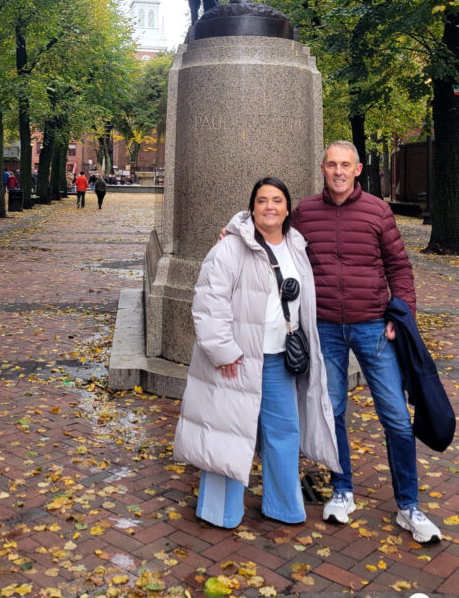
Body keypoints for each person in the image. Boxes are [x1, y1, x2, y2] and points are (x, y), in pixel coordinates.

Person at [292, 140, 442, 544]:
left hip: (374, 326)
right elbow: (272, 241)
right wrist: (232, 233)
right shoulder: (304, 212)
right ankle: (342, 490)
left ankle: (408, 506)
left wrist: (403, 316)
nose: (338, 171)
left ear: (357, 170)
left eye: (346, 165)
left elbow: (400, 268)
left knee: (395, 415)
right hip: (325, 328)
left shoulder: (377, 210)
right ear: (322, 168)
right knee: (333, 409)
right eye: (331, 165)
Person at [174, 177, 339, 528]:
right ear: (252, 208)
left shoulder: (296, 246)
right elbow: (208, 302)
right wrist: (223, 351)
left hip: (280, 358)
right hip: (238, 359)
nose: (269, 207)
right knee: (228, 432)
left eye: (277, 200)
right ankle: (221, 512)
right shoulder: (230, 248)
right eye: (262, 200)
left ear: (287, 208)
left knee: (284, 432)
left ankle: (284, 506)